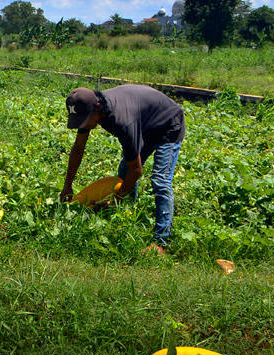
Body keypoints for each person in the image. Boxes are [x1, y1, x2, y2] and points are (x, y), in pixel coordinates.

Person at [60, 85, 185, 255]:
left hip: (169, 124)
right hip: (146, 123)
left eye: (83, 120)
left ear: (96, 109)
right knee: (124, 172)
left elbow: (137, 171)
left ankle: (161, 242)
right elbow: (78, 148)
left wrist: (117, 198)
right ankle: (126, 218)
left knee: (160, 180)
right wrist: (67, 185)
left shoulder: (123, 121)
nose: (82, 125)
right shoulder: (89, 110)